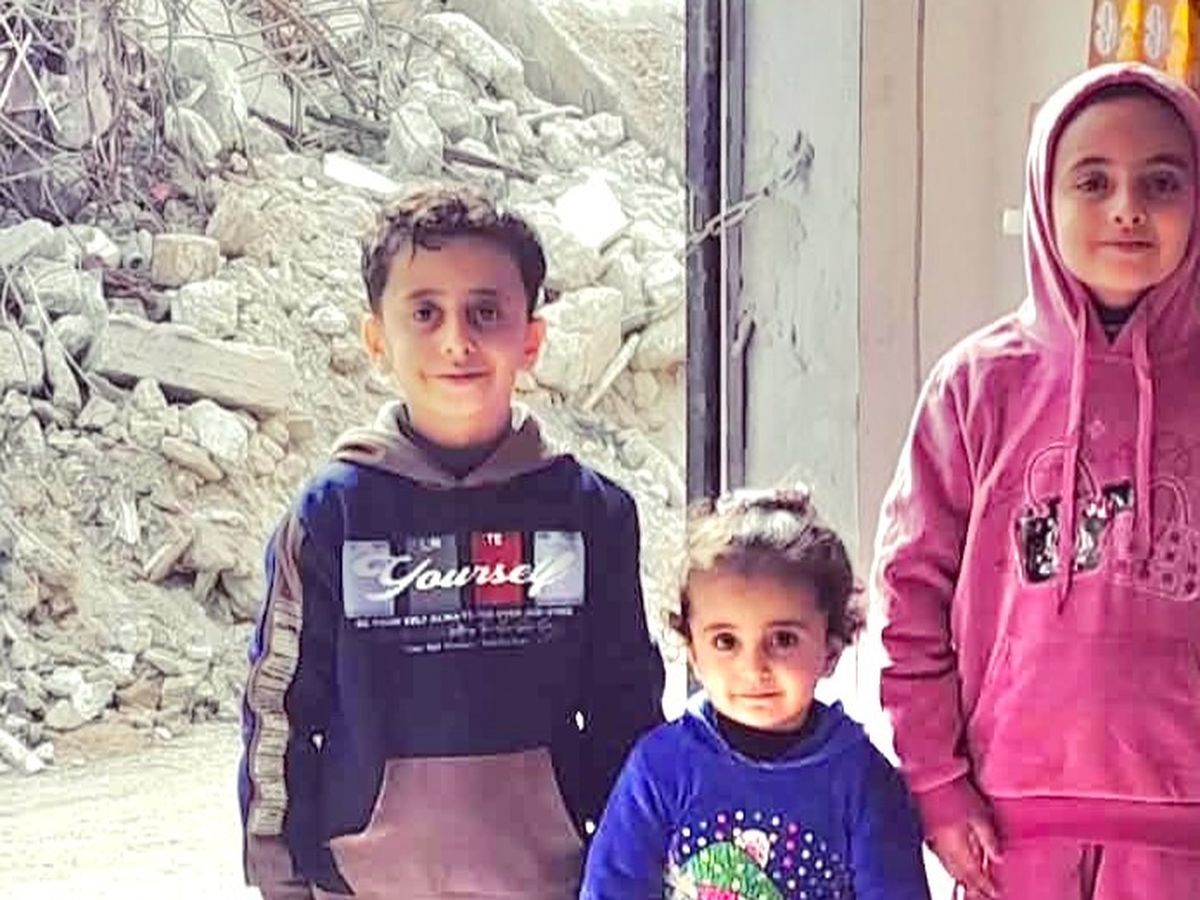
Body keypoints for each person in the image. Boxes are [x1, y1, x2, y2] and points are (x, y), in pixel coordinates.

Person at [237, 184, 664, 899]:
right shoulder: (331, 516)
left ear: (531, 339)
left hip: (552, 884)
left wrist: (633, 869)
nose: (457, 340)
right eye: (425, 312)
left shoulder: (591, 515)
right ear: (377, 339)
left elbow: (626, 707)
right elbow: (280, 708)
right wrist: (281, 876)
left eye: (486, 312)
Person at [874, 63, 1200, 899]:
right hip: (1008, 828)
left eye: (1162, 181)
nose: (1127, 207)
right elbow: (909, 599)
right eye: (1093, 181)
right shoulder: (976, 386)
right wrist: (936, 783)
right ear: (1043, 198)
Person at [582, 487, 929, 899]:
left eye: (783, 639)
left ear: (831, 649)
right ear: (693, 653)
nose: (753, 668)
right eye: (726, 641)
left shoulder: (864, 779)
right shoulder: (659, 767)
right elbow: (612, 890)